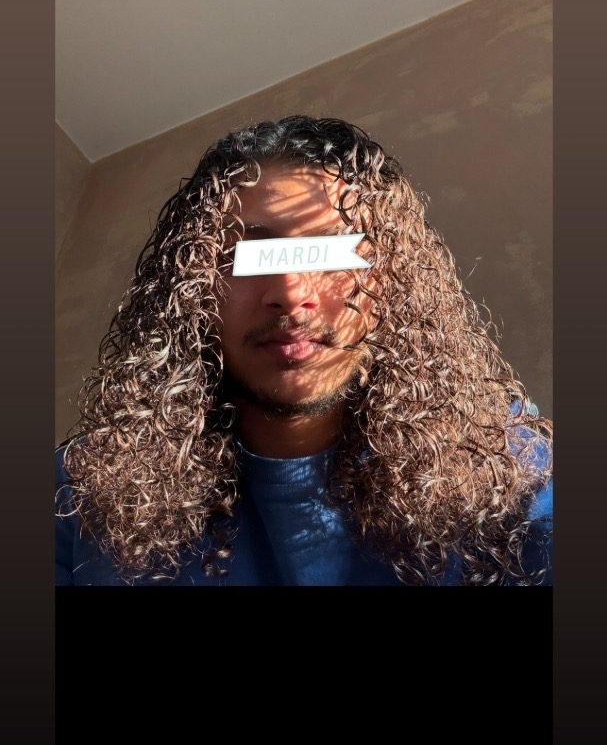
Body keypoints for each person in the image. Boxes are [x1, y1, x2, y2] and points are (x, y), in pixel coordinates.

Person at [55, 115, 553, 586]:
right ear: (189, 288)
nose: (291, 294)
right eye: (245, 256)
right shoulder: (80, 493)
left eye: (332, 252)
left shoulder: (505, 465)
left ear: (394, 283)